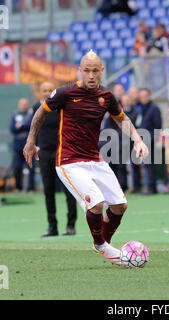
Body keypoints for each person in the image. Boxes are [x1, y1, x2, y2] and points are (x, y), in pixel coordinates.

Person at [23, 50, 149, 266]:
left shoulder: (107, 96)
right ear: (79, 71)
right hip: (69, 162)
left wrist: (138, 140)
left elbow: (122, 118)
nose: (91, 75)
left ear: (101, 71)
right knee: (97, 204)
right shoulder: (64, 93)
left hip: (94, 160)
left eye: (95, 71)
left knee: (120, 206)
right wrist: (30, 141)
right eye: (86, 71)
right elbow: (40, 113)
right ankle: (102, 245)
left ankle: (103, 243)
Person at [32, 82, 77, 237]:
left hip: (62, 152)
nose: (47, 92)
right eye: (44, 90)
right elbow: (35, 128)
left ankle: (71, 225)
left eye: (51, 90)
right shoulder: (36, 107)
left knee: (68, 189)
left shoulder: (61, 106)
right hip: (44, 153)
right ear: (40, 92)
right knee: (48, 191)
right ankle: (53, 226)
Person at [138, 88, 162, 194]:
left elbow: (158, 126)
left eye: (145, 96)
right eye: (141, 96)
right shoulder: (141, 109)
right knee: (146, 165)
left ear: (149, 96)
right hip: (142, 141)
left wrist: (152, 139)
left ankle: (152, 188)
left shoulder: (154, 109)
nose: (143, 98)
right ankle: (149, 186)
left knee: (150, 165)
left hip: (150, 141)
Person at [10, 98, 35, 192]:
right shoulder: (15, 114)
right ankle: (18, 188)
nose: (23, 106)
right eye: (21, 104)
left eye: (25, 104)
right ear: (19, 105)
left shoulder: (31, 114)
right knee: (17, 167)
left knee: (31, 167)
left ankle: (30, 188)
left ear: (28, 105)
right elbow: (12, 128)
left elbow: (31, 126)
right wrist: (23, 127)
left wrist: (21, 126)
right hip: (17, 146)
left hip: (29, 145)